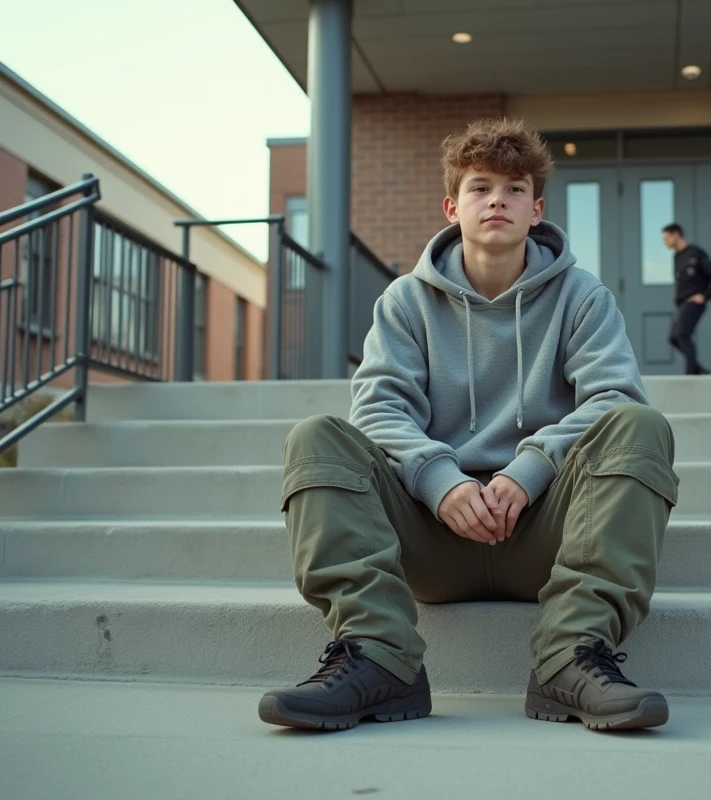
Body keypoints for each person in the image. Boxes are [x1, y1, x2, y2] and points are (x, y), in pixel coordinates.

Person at [260, 118, 679, 733]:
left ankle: (570, 657)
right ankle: (381, 658)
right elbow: (378, 408)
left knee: (639, 425)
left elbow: (611, 397)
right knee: (317, 437)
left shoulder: (582, 297)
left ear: (536, 210)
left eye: (514, 190)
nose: (497, 202)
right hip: (432, 536)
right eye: (481, 188)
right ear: (453, 207)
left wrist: (530, 470)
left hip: (546, 533)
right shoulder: (405, 300)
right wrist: (442, 480)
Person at [662, 223, 711, 375]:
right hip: (682, 303)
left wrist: (705, 295)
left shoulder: (695, 253)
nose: (665, 242)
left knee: (682, 334)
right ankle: (698, 369)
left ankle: (690, 374)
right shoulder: (677, 256)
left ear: (676, 235)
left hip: (693, 302)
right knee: (673, 337)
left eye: (666, 238)